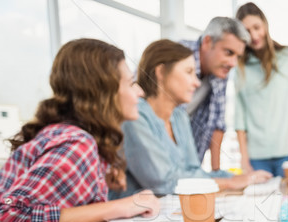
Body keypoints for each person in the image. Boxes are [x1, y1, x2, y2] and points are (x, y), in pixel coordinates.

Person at [0, 39, 159, 222]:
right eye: (131, 83)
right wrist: (120, 206)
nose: (140, 92)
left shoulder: (69, 136)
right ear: (103, 91)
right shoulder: (78, 144)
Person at [109, 39, 271, 199]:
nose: (196, 83)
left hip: (169, 214)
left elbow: (195, 171)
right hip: (136, 220)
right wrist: (229, 183)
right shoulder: (135, 115)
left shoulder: (179, 117)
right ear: (161, 72)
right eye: (189, 72)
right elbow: (164, 184)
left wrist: (239, 178)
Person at [235, 2, 288, 177]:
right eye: (247, 31)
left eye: (257, 27)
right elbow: (240, 119)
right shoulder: (239, 68)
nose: (254, 35)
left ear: (265, 25)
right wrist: (244, 159)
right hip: (256, 159)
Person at [180, 17, 250, 171]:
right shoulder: (177, 54)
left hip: (189, 167)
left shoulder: (220, 71)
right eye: (229, 52)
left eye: (238, 57)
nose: (233, 63)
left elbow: (218, 124)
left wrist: (216, 172)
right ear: (207, 42)